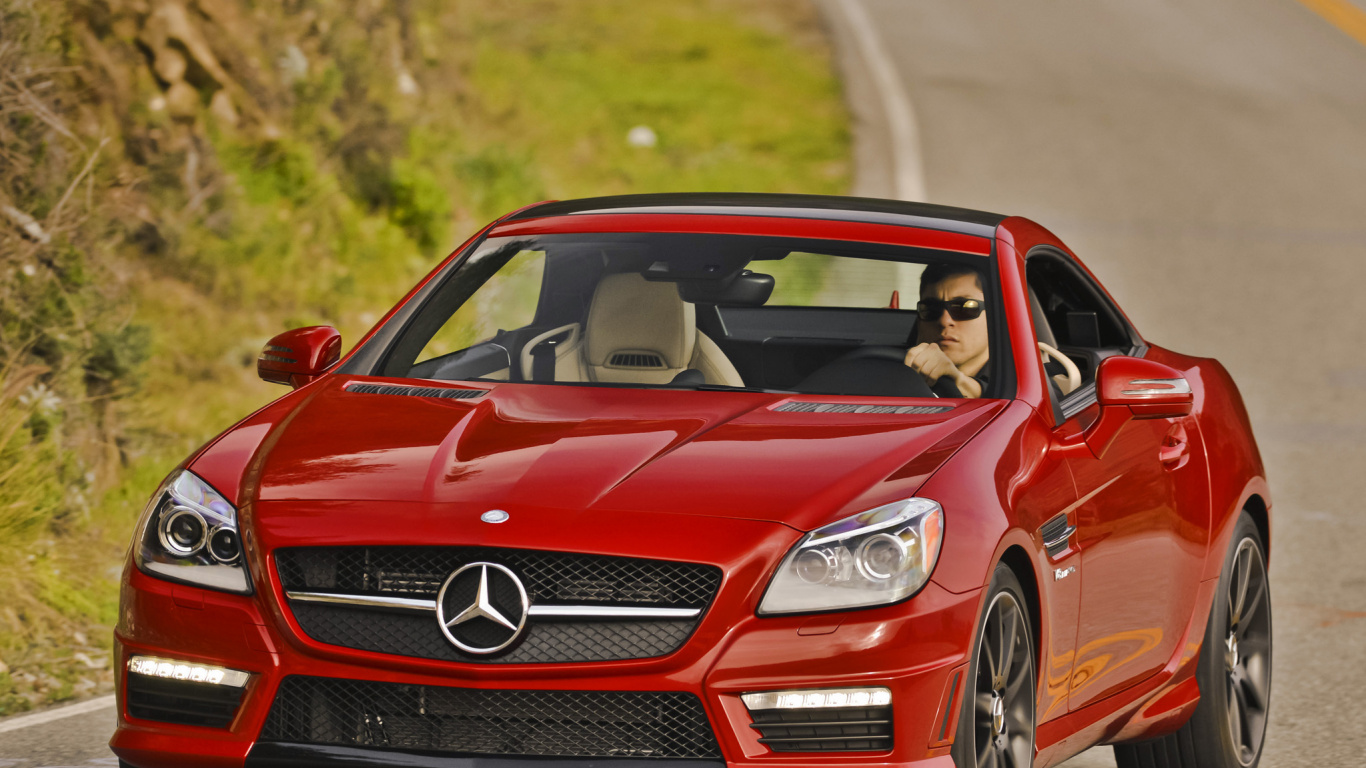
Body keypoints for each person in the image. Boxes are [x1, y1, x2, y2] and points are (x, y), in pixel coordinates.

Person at [904, 263, 989, 398]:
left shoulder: (1025, 376)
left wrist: (957, 380)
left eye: (965, 308)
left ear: (994, 316)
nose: (944, 321)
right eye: (931, 309)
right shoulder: (899, 373)